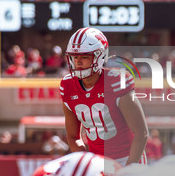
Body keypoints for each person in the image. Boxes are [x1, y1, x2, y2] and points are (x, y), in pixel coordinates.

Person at [60, 27, 148, 166]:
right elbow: (73, 137)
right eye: (75, 57)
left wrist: (128, 169)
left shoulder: (117, 82)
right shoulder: (68, 85)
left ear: (100, 56)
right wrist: (88, 163)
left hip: (128, 158)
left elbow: (141, 133)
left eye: (84, 57)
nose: (78, 62)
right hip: (99, 163)